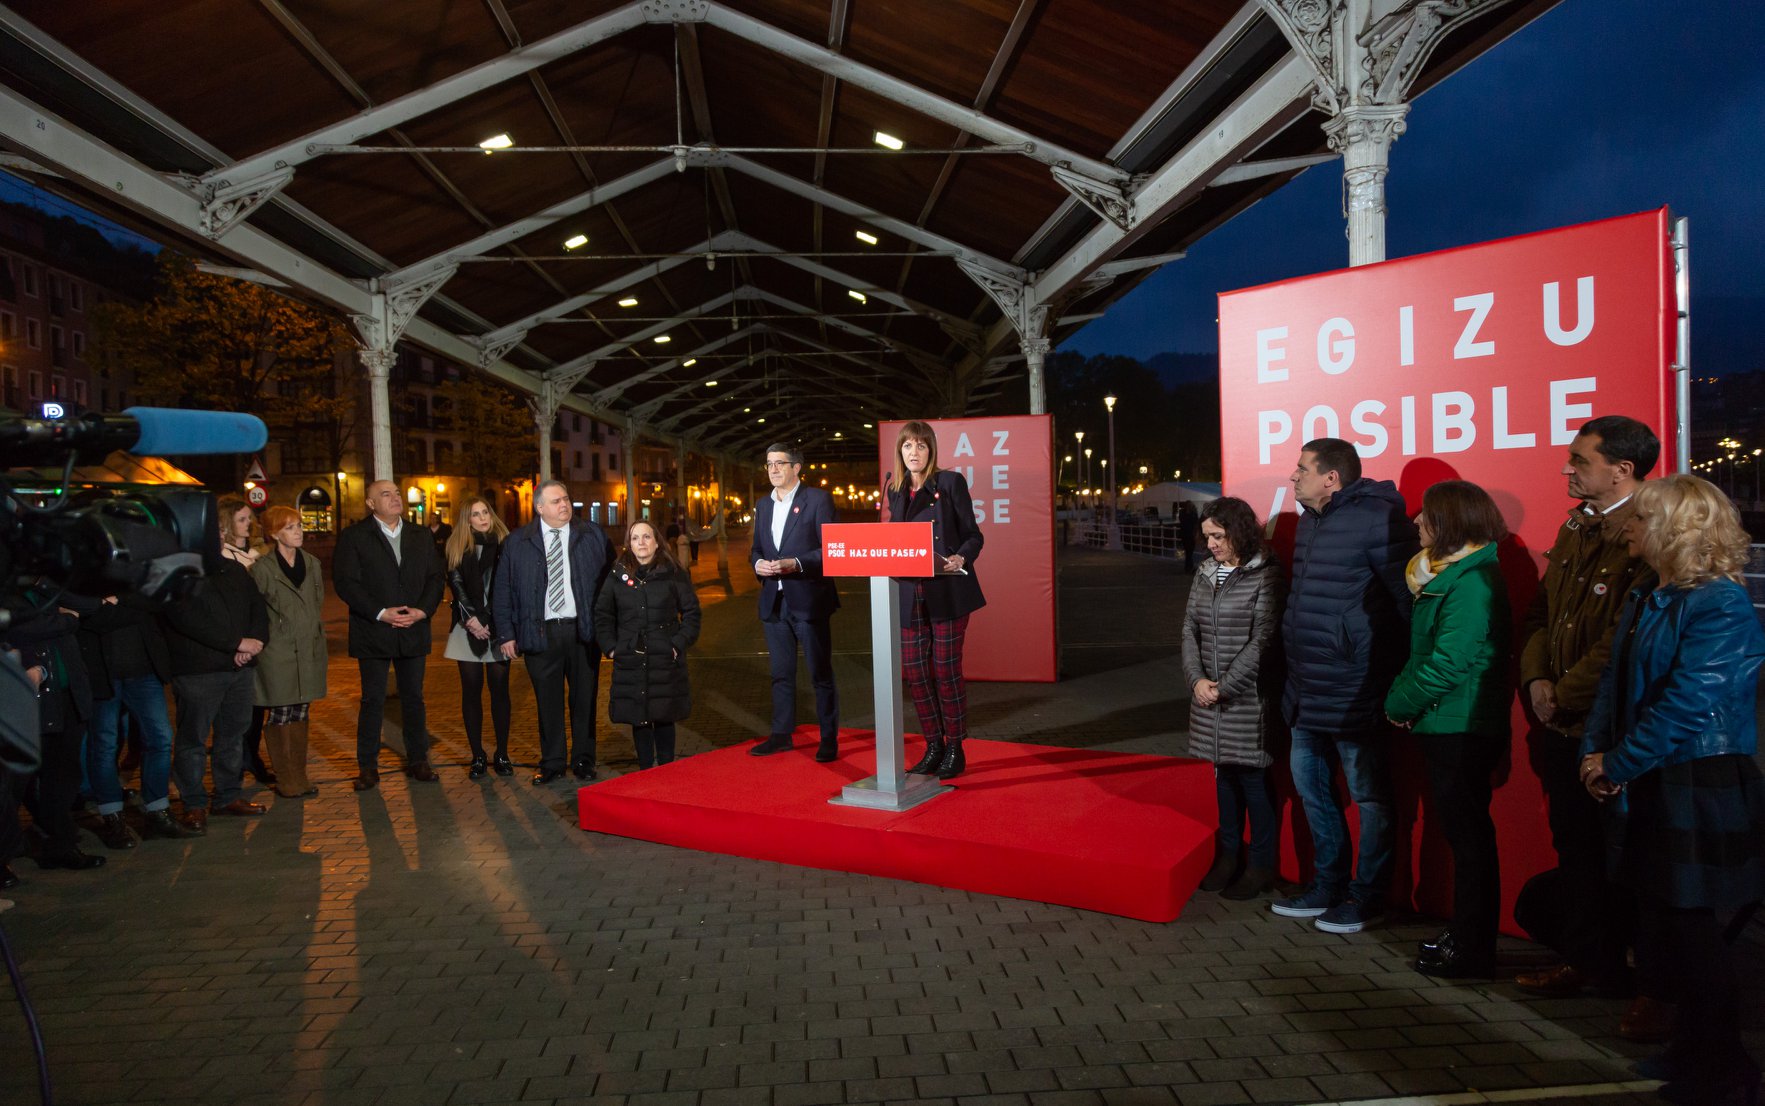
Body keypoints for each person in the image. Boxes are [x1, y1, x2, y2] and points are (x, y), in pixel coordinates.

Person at [1580, 474, 1765, 1105]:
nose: (1629, 525)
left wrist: (1618, 761)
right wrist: (1594, 753)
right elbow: (1613, 685)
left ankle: (1725, 1069)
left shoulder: (1720, 603)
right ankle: (1692, 1051)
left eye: (1642, 517)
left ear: (1675, 527)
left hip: (1698, 776)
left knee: (1692, 927)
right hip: (1655, 770)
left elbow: (1688, 704)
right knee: (1666, 920)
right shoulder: (1647, 594)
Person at [1515, 415, 1668, 1039]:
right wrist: (1536, 684)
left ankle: (1643, 979)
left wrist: (1565, 692)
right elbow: (1542, 614)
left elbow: (1621, 640)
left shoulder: (1649, 534)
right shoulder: (1576, 527)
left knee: (1627, 859)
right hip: (1559, 726)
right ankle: (1588, 961)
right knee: (1574, 849)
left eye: (1579, 460)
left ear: (1622, 469)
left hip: (1609, 733)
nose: (1566, 470)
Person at [1273, 437, 1418, 933]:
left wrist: (1395, 676)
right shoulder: (1312, 523)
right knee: (1314, 792)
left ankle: (1367, 897)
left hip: (1356, 688)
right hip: (1305, 688)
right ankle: (1326, 886)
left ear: (1331, 476)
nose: (1293, 477)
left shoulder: (1377, 518)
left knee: (1370, 795)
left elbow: (1407, 602)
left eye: (1301, 469)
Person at [1383, 481, 1511, 978]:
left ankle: (1474, 949)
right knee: (1466, 838)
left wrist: (1397, 703)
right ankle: (1465, 937)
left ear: (1452, 523)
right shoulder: (1449, 574)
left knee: (1470, 842)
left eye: (1426, 516)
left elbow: (1447, 664)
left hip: (1461, 726)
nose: (1415, 522)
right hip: (1448, 721)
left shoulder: (1472, 582)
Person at [1181, 496, 1283, 900]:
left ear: (1238, 531)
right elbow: (1189, 628)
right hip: (1208, 696)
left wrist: (1224, 687)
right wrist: (1196, 681)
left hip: (1246, 700)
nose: (1211, 545)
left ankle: (1260, 865)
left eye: (1218, 536)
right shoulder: (1206, 572)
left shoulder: (1267, 576)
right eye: (1207, 536)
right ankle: (1228, 857)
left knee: (1254, 782)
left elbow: (1263, 640)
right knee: (1223, 779)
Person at [492, 480, 614, 785]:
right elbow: (503, 590)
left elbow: (611, 584)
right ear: (540, 508)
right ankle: (553, 762)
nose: (564, 505)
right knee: (547, 701)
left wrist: (609, 628)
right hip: (539, 632)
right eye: (557, 501)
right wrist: (506, 633)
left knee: (584, 699)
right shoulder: (518, 542)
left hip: (582, 632)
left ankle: (584, 759)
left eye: (566, 499)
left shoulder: (592, 535)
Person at [886, 421, 986, 781]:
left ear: (931, 451)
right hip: (909, 592)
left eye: (921, 446)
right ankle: (933, 746)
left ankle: (955, 747)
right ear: (900, 452)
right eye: (908, 446)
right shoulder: (894, 488)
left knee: (945, 671)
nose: (914, 452)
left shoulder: (950, 483)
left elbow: (974, 535)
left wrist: (961, 557)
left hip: (948, 592)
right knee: (916, 675)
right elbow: (894, 539)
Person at [331, 479, 445, 791]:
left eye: (396, 493)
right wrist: (381, 612)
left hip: (413, 628)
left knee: (414, 698)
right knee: (372, 700)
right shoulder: (354, 537)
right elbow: (346, 582)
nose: (395, 498)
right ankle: (367, 767)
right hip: (373, 630)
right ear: (370, 503)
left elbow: (436, 576)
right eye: (386, 494)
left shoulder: (420, 535)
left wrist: (423, 610)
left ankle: (418, 760)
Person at [163, 544, 270, 828]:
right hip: (198, 670)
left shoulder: (233, 569)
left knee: (232, 734)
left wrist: (256, 641)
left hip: (240, 667)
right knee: (193, 740)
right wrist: (235, 643)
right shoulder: (176, 572)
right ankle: (193, 803)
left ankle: (227, 795)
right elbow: (186, 618)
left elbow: (257, 606)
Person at [749, 444, 841, 761]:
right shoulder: (763, 505)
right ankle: (781, 735)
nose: (773, 469)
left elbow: (832, 548)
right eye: (769, 464)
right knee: (780, 674)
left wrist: (796, 564)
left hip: (809, 600)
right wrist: (757, 564)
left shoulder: (817, 500)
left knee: (820, 674)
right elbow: (757, 549)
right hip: (774, 602)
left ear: (797, 467)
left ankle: (829, 739)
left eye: (780, 463)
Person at [79, 590, 193, 845]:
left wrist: (118, 601)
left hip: (144, 671)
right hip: (101, 672)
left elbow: (162, 598)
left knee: (160, 738)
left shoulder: (136, 567)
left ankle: (157, 811)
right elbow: (90, 617)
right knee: (104, 745)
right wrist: (135, 607)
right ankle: (113, 817)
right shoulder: (84, 568)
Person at [594, 520, 702, 769]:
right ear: (628, 544)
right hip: (631, 656)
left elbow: (692, 614)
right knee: (639, 718)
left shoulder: (674, 573)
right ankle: (645, 770)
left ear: (657, 542)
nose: (641, 543)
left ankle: (665, 769)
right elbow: (603, 613)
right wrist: (611, 647)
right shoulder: (617, 574)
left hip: (664, 657)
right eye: (635, 538)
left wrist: (677, 643)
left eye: (646, 537)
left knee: (664, 716)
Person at [249, 506, 327, 799]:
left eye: (298, 525)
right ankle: (286, 778)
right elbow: (256, 610)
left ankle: (300, 775)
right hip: (278, 651)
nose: (298, 531)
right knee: (281, 711)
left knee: (301, 710)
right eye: (290, 527)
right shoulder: (263, 569)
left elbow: (316, 602)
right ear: (274, 534)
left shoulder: (313, 563)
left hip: (308, 648)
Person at [446, 496, 514, 779]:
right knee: (471, 693)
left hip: (498, 626)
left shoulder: (506, 544)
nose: (483, 517)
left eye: (486, 511)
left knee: (500, 692)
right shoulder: (456, 547)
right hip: (466, 626)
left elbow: (507, 585)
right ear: (467, 519)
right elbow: (456, 584)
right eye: (476, 513)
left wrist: (488, 618)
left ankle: (502, 753)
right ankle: (477, 756)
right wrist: (471, 619)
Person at [218, 496, 274, 786]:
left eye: (249, 518)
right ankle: (235, 766)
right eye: (241, 519)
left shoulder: (257, 554)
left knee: (256, 707)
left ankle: (251, 756)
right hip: (235, 644)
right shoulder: (223, 558)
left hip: (257, 639)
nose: (248, 523)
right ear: (226, 524)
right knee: (235, 713)